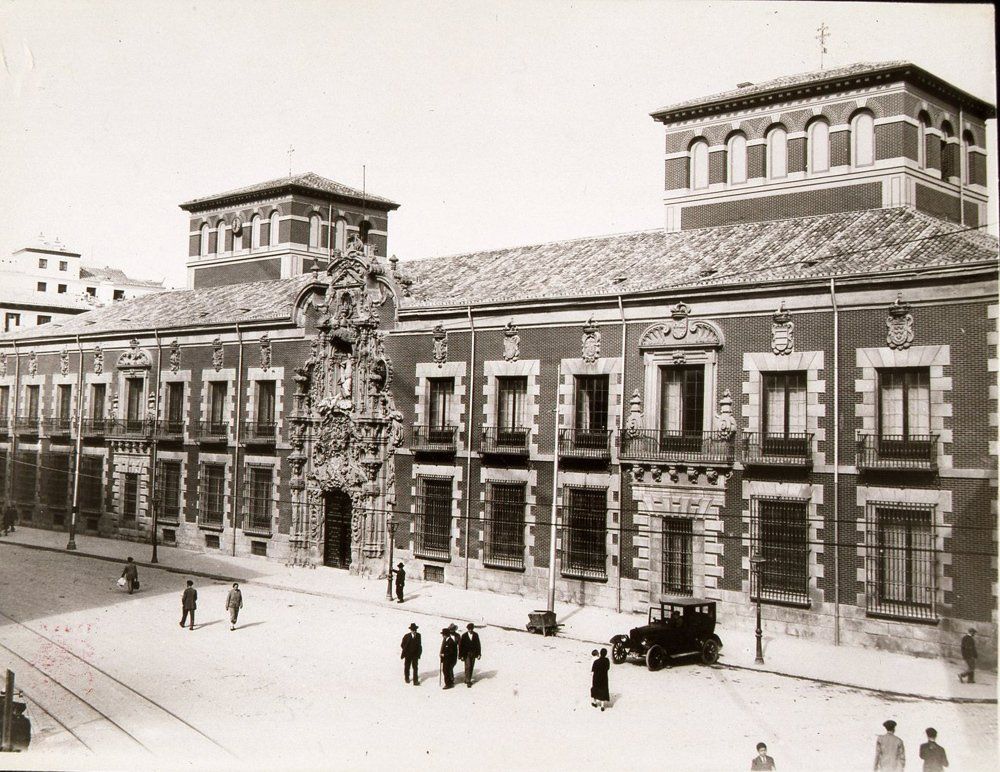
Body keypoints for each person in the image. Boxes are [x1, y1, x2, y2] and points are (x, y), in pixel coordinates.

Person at [459, 623, 482, 688]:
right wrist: (460, 655)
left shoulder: (476, 635)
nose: (470, 630)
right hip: (466, 654)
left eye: (471, 629)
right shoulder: (464, 635)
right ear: (467, 629)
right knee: (468, 666)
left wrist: (479, 654)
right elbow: (461, 646)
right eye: (469, 629)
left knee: (471, 666)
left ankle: (467, 678)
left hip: (473, 653)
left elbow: (478, 645)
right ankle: (468, 681)